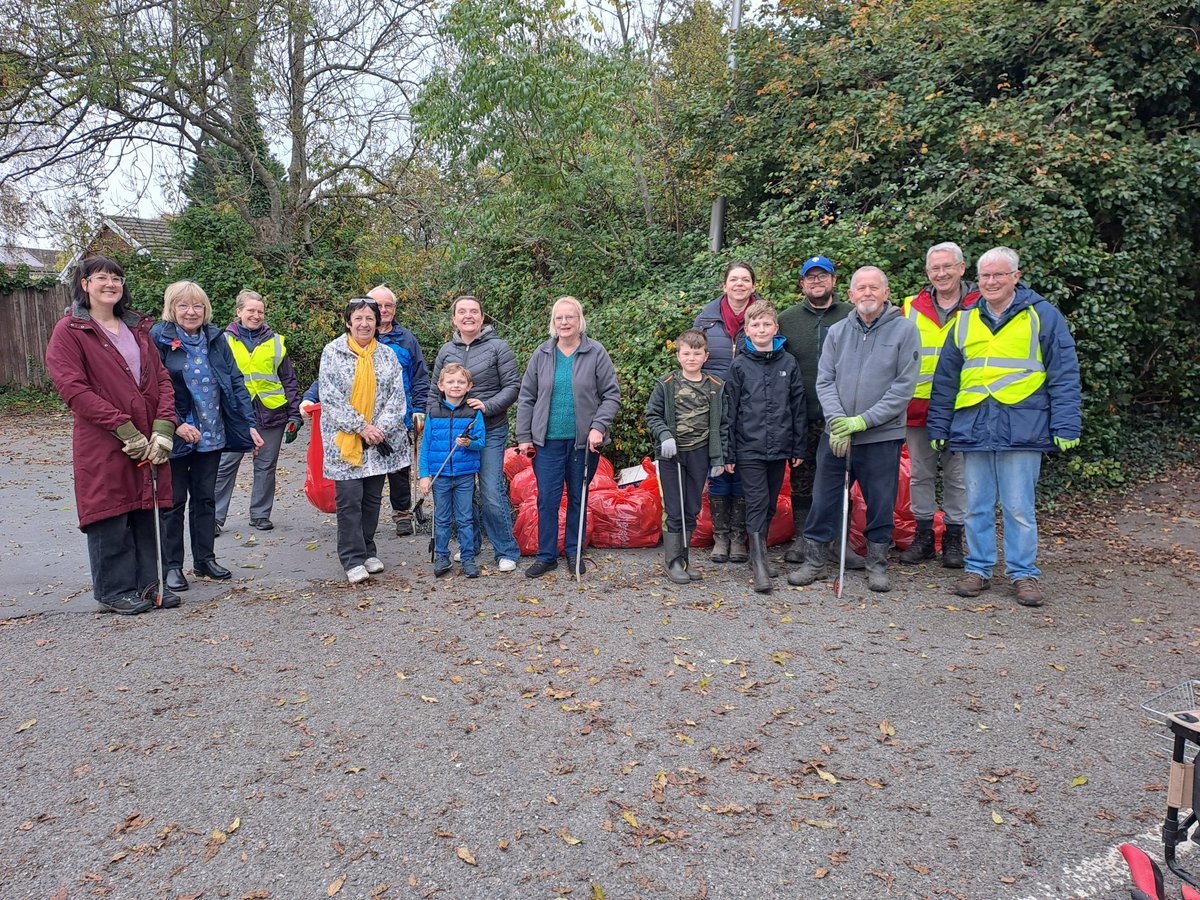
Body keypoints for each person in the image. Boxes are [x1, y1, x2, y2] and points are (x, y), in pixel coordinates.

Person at [927, 247, 1081, 607]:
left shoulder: (1042, 315)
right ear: (977, 279)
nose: (991, 281)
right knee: (976, 505)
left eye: (999, 275)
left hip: (1023, 424)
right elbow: (946, 379)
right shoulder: (965, 319)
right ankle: (978, 568)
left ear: (1016, 276)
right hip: (974, 424)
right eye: (985, 276)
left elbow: (1063, 372)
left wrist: (1066, 423)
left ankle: (1023, 573)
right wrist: (939, 426)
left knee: (1018, 507)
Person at [45, 255, 178, 615]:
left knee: (145, 508)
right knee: (110, 511)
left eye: (117, 278)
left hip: (147, 435)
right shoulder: (70, 331)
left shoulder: (137, 329)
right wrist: (122, 427)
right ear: (84, 284)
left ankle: (150, 583)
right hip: (103, 440)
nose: (111, 284)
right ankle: (114, 590)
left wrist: (164, 428)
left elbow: (161, 380)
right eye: (102, 277)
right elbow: (73, 389)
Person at [788, 267, 920, 593]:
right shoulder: (838, 331)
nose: (867, 293)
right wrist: (838, 422)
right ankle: (815, 561)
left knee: (880, 502)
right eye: (861, 288)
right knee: (823, 498)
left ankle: (877, 564)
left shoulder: (905, 330)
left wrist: (863, 421)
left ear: (886, 293)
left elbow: (903, 388)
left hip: (881, 436)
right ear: (851, 295)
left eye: (874, 287)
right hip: (836, 435)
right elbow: (825, 380)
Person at [152, 281, 261, 593]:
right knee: (173, 502)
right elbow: (151, 387)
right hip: (176, 434)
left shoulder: (215, 338)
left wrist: (248, 423)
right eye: (183, 305)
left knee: (205, 498)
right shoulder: (158, 338)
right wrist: (174, 423)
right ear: (172, 308)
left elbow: (235, 381)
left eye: (197, 305)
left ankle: (204, 560)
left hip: (211, 432)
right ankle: (172, 567)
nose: (191, 311)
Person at [516, 296, 621, 578]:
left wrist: (598, 426)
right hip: (546, 443)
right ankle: (547, 555)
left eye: (570, 317)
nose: (564, 322)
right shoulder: (542, 353)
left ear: (579, 320)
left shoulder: (595, 352)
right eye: (559, 318)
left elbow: (611, 395)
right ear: (553, 322)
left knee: (578, 498)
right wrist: (524, 436)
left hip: (583, 443)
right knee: (547, 500)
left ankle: (574, 552)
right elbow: (527, 397)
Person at [777, 255, 864, 569]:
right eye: (810, 277)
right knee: (802, 478)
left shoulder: (852, 315)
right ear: (802, 284)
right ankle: (804, 538)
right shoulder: (787, 319)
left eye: (822, 276)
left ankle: (840, 542)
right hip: (800, 414)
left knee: (841, 477)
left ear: (834, 280)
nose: (817, 282)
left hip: (840, 415)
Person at [898, 243, 980, 568]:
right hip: (919, 406)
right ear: (927, 272)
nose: (941, 273)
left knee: (958, 477)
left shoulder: (980, 304)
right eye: (935, 268)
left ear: (962, 268)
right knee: (920, 474)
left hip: (963, 406)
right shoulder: (910, 306)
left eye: (947, 267)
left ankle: (953, 538)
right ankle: (923, 537)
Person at [318, 297, 411, 584]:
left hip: (378, 440)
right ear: (348, 322)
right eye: (358, 318)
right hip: (346, 440)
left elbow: (397, 396)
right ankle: (352, 558)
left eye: (369, 318)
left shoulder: (387, 355)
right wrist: (361, 427)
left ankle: (368, 550)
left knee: (371, 499)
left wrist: (378, 428)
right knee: (349, 500)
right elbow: (330, 397)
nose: (364, 323)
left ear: (377, 323)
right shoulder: (332, 352)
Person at [426, 294, 522, 572]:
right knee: (463, 492)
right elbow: (434, 390)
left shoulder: (498, 347)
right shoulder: (447, 350)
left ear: (482, 317)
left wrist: (488, 406)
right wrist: (433, 421)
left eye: (474, 311)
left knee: (490, 491)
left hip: (490, 430)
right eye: (462, 311)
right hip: (456, 435)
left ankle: (506, 550)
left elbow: (513, 386)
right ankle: (471, 545)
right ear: (454, 318)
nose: (468, 316)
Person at [723, 301, 807, 593]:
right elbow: (730, 410)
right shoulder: (739, 365)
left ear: (776, 328)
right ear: (747, 330)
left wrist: (798, 446)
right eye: (755, 325)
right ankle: (759, 564)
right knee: (757, 502)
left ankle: (759, 554)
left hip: (780, 446)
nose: (761, 330)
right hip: (749, 447)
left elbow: (797, 406)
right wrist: (729, 451)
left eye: (766, 324)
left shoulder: (788, 363)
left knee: (770, 503)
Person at [213, 290, 303, 533]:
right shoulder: (222, 340)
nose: (255, 315)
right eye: (250, 310)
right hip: (234, 415)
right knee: (225, 466)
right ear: (239, 312)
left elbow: (289, 380)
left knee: (265, 466)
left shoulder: (277, 342)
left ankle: (260, 515)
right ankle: (214, 518)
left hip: (270, 412)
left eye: (260, 311)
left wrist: (295, 414)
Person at [644, 328, 728, 584]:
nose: (692, 358)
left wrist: (719, 458)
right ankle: (672, 561)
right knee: (674, 508)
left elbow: (723, 424)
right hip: (672, 456)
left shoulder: (715, 386)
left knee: (691, 507)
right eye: (687, 353)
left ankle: (685, 559)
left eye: (697, 353)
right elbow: (652, 415)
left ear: (706, 356)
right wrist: (665, 435)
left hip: (700, 454)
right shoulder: (667, 384)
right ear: (678, 356)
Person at [693, 262, 761, 564]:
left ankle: (738, 537)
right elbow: (693, 360)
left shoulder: (763, 318)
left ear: (753, 286)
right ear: (725, 285)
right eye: (734, 279)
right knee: (718, 468)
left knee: (746, 470)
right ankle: (720, 537)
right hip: (715, 405)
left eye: (745, 279)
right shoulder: (706, 319)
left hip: (751, 406)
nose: (739, 284)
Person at [369, 285, 430, 537]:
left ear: (395, 309)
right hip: (364, 418)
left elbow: (420, 378)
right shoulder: (359, 334)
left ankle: (403, 514)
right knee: (367, 470)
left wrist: (420, 409)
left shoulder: (406, 340)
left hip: (398, 417)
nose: (384, 310)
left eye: (389, 305)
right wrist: (311, 396)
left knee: (399, 470)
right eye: (378, 305)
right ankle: (365, 517)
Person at [420, 364, 486, 578]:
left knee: (465, 518)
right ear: (441, 386)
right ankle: (442, 556)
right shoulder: (433, 412)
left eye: (460, 382)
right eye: (450, 382)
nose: (455, 385)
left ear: (469, 386)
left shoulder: (474, 412)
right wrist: (424, 475)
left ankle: (468, 558)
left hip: (464, 475)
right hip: (440, 476)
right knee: (442, 518)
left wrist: (469, 443)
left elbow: (481, 441)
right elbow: (426, 445)